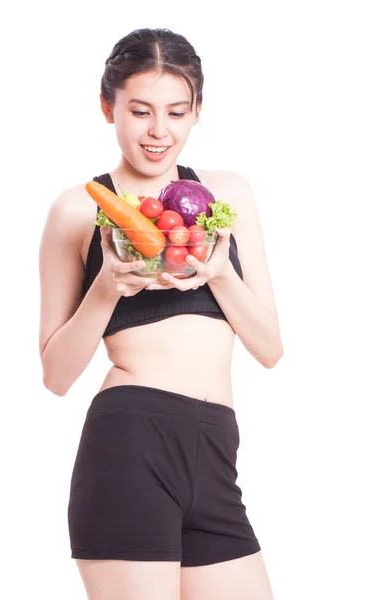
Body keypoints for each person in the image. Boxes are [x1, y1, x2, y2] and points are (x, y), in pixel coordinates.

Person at [39, 27, 282, 600]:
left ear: (197, 111)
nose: (158, 131)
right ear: (108, 108)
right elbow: (55, 376)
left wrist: (221, 272)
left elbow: (270, 349)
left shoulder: (226, 197)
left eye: (176, 111)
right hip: (130, 443)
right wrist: (105, 289)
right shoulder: (79, 209)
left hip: (218, 451)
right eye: (140, 110)